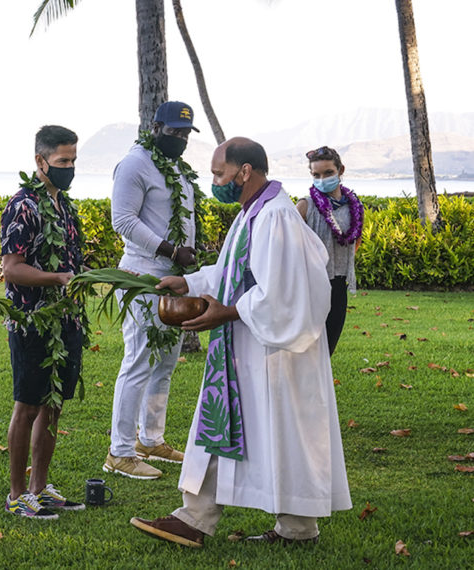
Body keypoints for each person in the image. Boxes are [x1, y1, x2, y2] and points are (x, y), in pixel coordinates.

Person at [131, 137, 351, 547]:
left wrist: (227, 312)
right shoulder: (255, 212)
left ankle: (282, 527)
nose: (216, 182)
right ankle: (200, 515)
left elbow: (284, 292)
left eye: (219, 173)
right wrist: (191, 282)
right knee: (237, 423)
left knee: (282, 432)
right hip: (252, 346)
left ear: (245, 171)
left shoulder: (276, 217)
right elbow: (235, 269)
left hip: (274, 352)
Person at [103, 101, 199, 481]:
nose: (180, 139)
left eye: (186, 134)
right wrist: (170, 250)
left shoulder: (173, 166)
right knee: (139, 361)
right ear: (155, 126)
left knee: (165, 362)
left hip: (174, 278)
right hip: (144, 276)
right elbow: (122, 219)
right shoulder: (135, 163)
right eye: (174, 132)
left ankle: (151, 439)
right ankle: (120, 452)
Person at [0, 125, 87, 520]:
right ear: (40, 161)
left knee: (53, 406)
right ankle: (18, 493)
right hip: (31, 321)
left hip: (66, 321)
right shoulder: (23, 206)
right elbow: (12, 270)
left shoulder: (64, 206)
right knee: (28, 406)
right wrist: (58, 279)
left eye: (73, 160)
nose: (69, 168)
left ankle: (41, 487)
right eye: (62, 161)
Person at [296, 145, 364, 355]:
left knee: (327, 349)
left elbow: (356, 241)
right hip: (309, 285)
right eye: (316, 174)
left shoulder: (355, 207)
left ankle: (319, 389)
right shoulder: (305, 206)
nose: (322, 179)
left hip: (338, 284)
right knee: (305, 349)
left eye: (328, 173)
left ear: (340, 170)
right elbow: (290, 246)